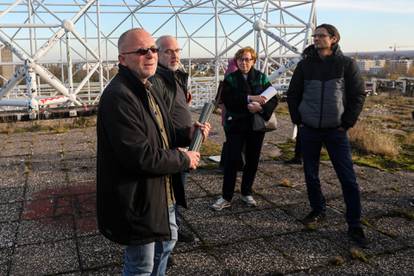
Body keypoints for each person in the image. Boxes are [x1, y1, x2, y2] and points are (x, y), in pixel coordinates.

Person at [96, 28, 209, 275]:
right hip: (139, 197)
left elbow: (160, 131)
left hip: (159, 192)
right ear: (122, 59)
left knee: (167, 244)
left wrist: (187, 133)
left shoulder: (146, 86)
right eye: (141, 51)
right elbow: (139, 156)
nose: (150, 55)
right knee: (141, 264)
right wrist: (183, 158)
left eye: (153, 50)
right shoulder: (119, 97)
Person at [287, 24, 368, 247]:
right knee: (311, 174)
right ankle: (317, 209)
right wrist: (298, 119)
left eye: (321, 35)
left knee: (348, 179)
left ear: (333, 38)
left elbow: (358, 95)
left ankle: (354, 224)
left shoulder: (346, 64)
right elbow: (293, 93)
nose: (316, 38)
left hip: (336, 131)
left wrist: (347, 122)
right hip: (309, 129)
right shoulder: (305, 65)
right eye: (315, 35)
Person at [212, 46, 278, 211]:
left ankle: (246, 192)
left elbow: (273, 98)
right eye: (240, 59)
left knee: (252, 160)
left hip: (255, 126)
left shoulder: (261, 78)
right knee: (232, 160)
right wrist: (249, 99)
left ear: (253, 61)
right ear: (237, 61)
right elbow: (227, 98)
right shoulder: (231, 79)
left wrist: (260, 109)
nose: (244, 62)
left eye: (247, 59)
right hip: (236, 125)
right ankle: (226, 196)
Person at [150, 35, 195, 244]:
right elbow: (158, 122)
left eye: (177, 51)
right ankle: (165, 241)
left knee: (177, 192)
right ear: (157, 53)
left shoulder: (175, 76)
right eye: (168, 51)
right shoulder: (157, 81)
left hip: (182, 145)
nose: (174, 55)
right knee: (166, 196)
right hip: (171, 149)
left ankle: (174, 229)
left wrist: (192, 129)